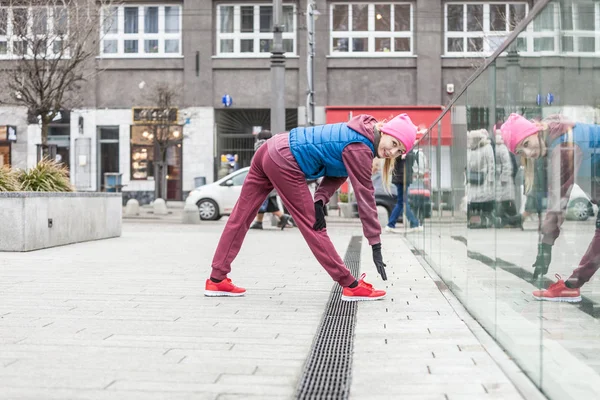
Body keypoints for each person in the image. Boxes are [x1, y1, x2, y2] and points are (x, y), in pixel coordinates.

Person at [205, 114, 419, 301]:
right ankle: (350, 286)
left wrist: (320, 199)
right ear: (384, 130)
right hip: (286, 159)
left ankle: (217, 279)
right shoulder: (361, 147)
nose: (393, 152)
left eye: (399, 150)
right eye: (394, 143)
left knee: (240, 217)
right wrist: (376, 244)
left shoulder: (361, 132)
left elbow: (338, 168)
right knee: (313, 228)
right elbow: (365, 197)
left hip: (272, 148)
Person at [500, 113, 599, 302]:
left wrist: (546, 245)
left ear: (535, 131)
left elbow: (558, 201)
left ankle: (571, 286)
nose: (528, 154)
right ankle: (572, 286)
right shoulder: (555, 137)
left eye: (526, 144)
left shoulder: (563, 146)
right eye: (521, 152)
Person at [249, 130, 292, 230]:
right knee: (267, 204)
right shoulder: (275, 148)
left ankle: (282, 217)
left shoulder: (259, 149)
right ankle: (259, 222)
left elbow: (256, 166)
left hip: (264, 183)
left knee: (264, 203)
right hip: (272, 183)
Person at [385, 145, 421, 233]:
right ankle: (413, 224)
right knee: (403, 203)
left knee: (402, 203)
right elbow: (406, 161)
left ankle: (391, 224)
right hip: (402, 179)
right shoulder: (402, 148)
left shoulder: (404, 149)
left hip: (402, 178)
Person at [466, 129, 496, 228]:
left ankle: (487, 220)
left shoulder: (486, 147)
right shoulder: (470, 149)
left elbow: (491, 164)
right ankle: (479, 221)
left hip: (484, 180)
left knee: (484, 203)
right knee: (476, 203)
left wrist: (491, 179)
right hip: (475, 179)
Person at [494, 133, 522, 229]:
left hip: (504, 180)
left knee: (506, 201)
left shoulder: (501, 148)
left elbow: (508, 165)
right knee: (506, 201)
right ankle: (510, 221)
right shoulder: (502, 148)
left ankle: (511, 221)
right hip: (504, 179)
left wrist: (505, 177)